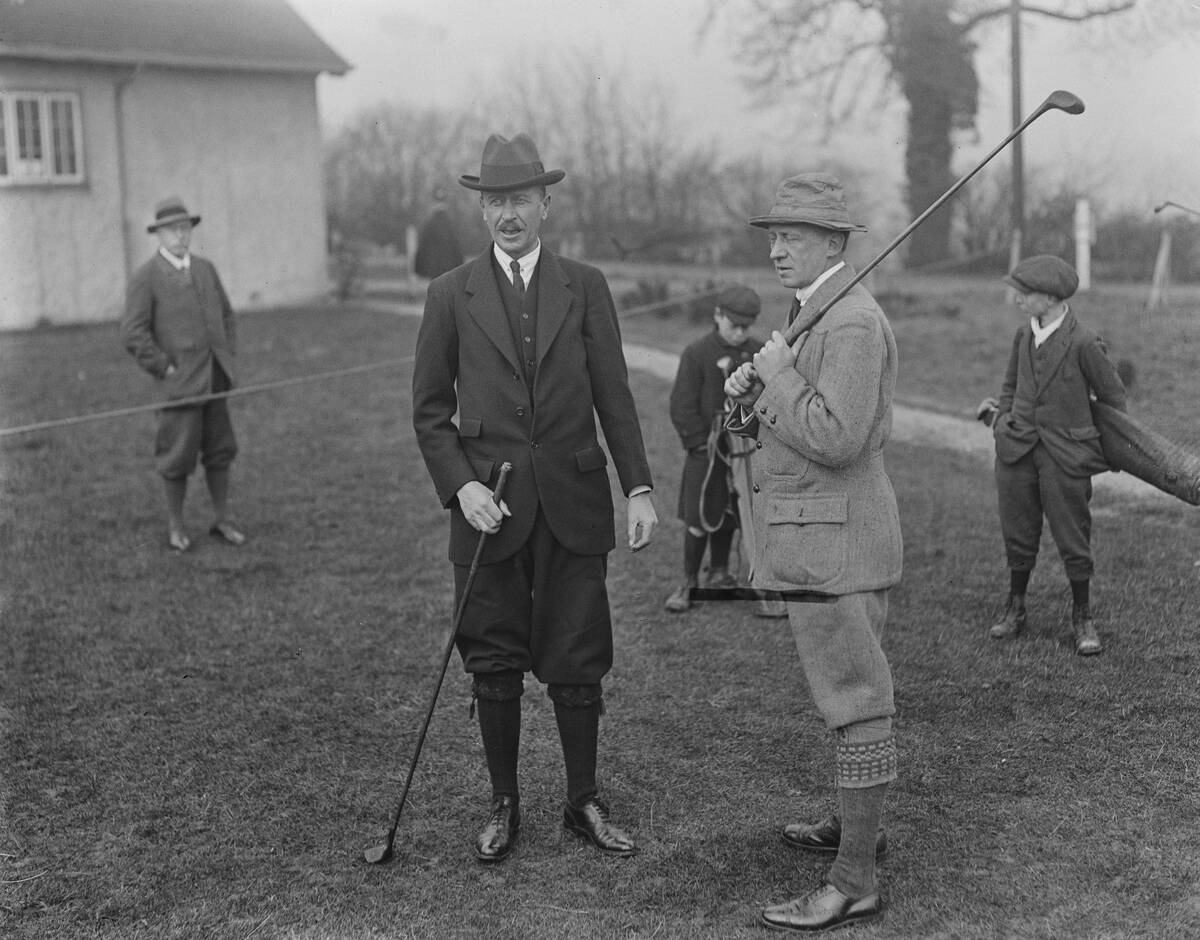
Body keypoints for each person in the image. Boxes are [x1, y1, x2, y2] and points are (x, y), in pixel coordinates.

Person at [411, 132, 658, 864]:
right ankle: (504, 803)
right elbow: (430, 412)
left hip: (573, 502)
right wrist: (462, 487)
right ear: (481, 209)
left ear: (546, 203)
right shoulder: (449, 293)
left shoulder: (585, 285)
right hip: (489, 511)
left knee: (578, 653)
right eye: (495, 202)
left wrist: (638, 486)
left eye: (520, 199)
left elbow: (614, 393)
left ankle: (582, 801)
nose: (507, 214)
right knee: (493, 657)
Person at [724, 173, 901, 933]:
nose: (776, 249)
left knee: (856, 701)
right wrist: (755, 395)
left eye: (791, 236)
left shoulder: (852, 320)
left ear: (833, 244)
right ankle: (856, 830)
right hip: (819, 539)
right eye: (773, 236)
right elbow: (796, 418)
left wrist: (778, 378)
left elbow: (836, 435)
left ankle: (854, 880)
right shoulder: (810, 310)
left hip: (840, 545)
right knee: (844, 695)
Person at [976, 255, 1126, 655]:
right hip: (1017, 450)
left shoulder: (1084, 342)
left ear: (1052, 297)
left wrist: (1104, 448)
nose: (1018, 299)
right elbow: (1010, 386)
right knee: (1018, 530)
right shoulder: (1022, 336)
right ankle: (1016, 608)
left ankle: (1082, 617)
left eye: (1025, 293)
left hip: (1065, 457)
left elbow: (1113, 398)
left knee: (1073, 535)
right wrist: (1004, 423)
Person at [122, 196, 245, 553]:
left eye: (185, 228)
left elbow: (227, 316)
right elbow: (133, 333)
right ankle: (176, 526)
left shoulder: (205, 269)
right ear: (158, 234)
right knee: (176, 456)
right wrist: (164, 366)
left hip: (215, 378)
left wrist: (226, 354)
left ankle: (221, 519)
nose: (180, 235)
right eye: (172, 229)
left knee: (220, 451)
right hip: (179, 386)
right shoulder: (146, 277)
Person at [664, 285, 765, 612]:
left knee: (733, 511)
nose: (740, 333)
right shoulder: (697, 353)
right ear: (717, 315)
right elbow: (681, 405)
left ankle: (720, 572)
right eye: (734, 325)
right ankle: (689, 581)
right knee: (700, 513)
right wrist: (697, 443)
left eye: (746, 327)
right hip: (705, 453)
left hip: (744, 454)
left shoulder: (758, 354)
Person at [413, 186, 464, 280]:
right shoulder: (452, 224)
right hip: (450, 270)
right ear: (447, 204)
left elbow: (423, 246)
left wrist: (418, 270)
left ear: (433, 203)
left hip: (434, 270)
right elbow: (457, 248)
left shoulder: (429, 224)